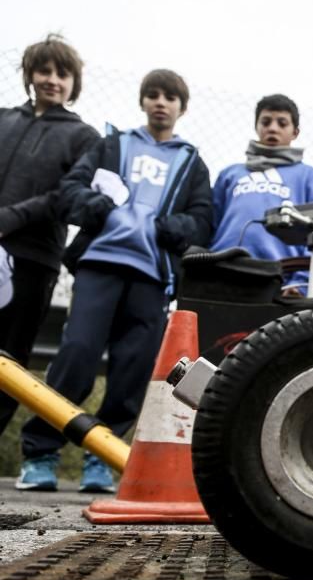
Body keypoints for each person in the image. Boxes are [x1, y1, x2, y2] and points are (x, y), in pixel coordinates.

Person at [16, 69, 212, 492]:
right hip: (100, 263)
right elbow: (70, 190)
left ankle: (100, 458)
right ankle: (41, 452)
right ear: (143, 101)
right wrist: (98, 207)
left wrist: (166, 228)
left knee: (132, 369)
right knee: (78, 353)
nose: (161, 102)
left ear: (182, 107)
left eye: (170, 97)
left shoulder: (193, 162)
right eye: (153, 95)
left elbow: (201, 222)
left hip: (151, 276)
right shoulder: (112, 144)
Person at [0, 34, 99, 437]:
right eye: (44, 70)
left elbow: (66, 197)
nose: (52, 80)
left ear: (74, 82)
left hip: (33, 258)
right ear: (30, 75)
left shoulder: (85, 136)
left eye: (62, 73)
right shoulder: (4, 119)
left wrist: (10, 217)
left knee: (10, 358)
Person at [209, 94, 313, 286]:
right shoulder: (230, 173)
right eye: (266, 122)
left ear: (295, 132)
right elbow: (212, 222)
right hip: (222, 269)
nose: (273, 128)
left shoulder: (308, 175)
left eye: (282, 123)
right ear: (256, 126)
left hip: (281, 275)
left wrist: (302, 283)